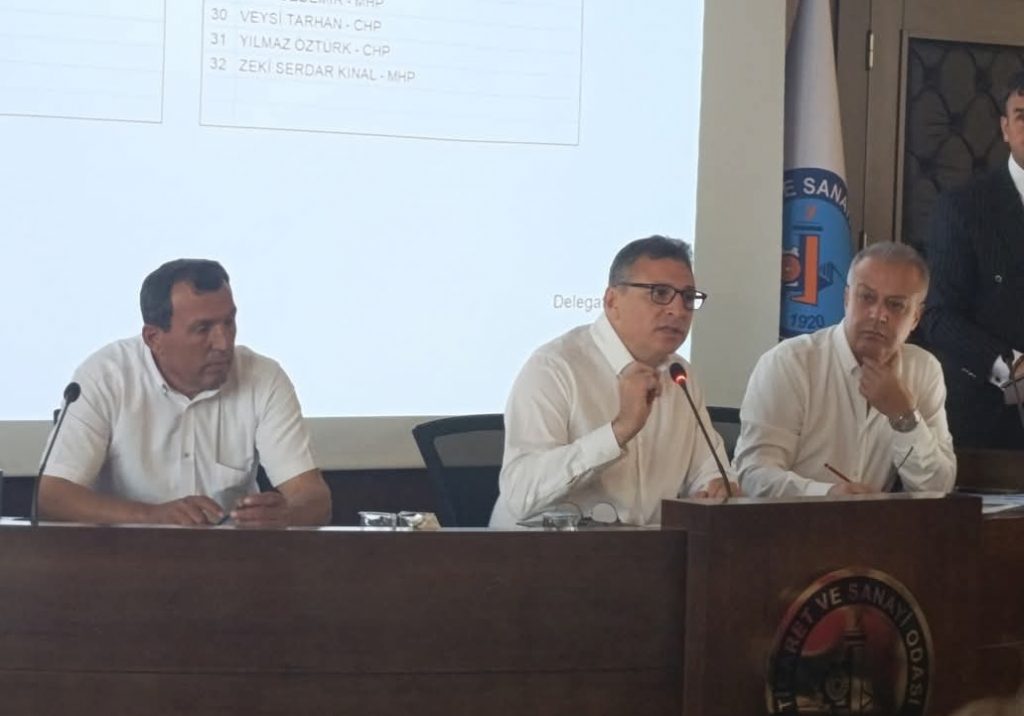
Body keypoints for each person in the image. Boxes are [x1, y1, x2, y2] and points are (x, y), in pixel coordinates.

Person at [38, 259, 331, 527]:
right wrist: (153, 516)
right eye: (203, 329)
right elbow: (52, 496)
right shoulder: (106, 376)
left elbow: (313, 499)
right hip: (125, 556)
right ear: (153, 338)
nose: (223, 343)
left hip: (231, 558)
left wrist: (286, 515)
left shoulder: (263, 376)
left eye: (229, 322)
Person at [489, 236, 740, 528]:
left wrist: (719, 486)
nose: (678, 310)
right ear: (612, 301)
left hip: (644, 550)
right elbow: (520, 494)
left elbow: (709, 470)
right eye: (660, 293)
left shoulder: (680, 374)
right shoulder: (555, 367)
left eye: (687, 297)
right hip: (541, 552)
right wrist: (619, 431)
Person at [734, 242, 955, 497]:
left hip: (874, 522)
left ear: (916, 317)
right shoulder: (790, 363)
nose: (878, 314)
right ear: (847, 298)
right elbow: (753, 475)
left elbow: (937, 489)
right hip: (792, 520)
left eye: (895, 305)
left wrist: (904, 416)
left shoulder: (924, 369)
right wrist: (827, 494)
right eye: (867, 298)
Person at [919, 70, 1024, 449]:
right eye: (1022, 116)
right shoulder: (962, 208)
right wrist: (1013, 367)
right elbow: (938, 316)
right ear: (1005, 128)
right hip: (990, 423)